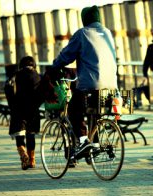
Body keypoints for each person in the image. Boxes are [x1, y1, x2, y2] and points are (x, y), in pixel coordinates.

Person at [49, 5, 118, 157]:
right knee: (94, 111)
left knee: (74, 109)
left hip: (91, 84)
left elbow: (67, 55)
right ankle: (95, 143)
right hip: (112, 85)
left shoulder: (82, 33)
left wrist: (55, 66)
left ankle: (83, 140)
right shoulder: (107, 33)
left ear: (85, 19)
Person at [8, 56, 55, 170]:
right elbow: (41, 93)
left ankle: (23, 155)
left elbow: (8, 90)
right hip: (32, 111)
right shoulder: (37, 76)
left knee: (20, 135)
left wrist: (12, 105)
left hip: (17, 110)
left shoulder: (16, 75)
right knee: (31, 135)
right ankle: (32, 160)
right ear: (34, 65)